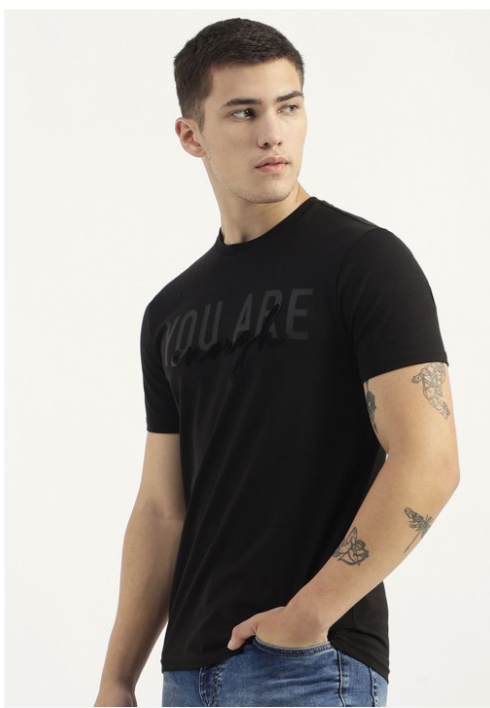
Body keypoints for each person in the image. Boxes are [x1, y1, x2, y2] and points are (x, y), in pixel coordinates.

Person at [94, 17, 460, 708]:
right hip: (186, 675)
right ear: (191, 135)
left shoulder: (365, 262)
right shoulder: (169, 311)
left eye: (288, 106)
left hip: (309, 666)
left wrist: (307, 617)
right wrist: (116, 678)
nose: (273, 133)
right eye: (243, 112)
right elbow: (161, 509)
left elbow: (430, 460)